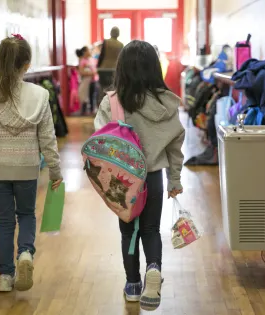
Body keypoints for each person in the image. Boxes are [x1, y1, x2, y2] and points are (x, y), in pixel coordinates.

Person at [94, 40, 185, 311]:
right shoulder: (167, 102)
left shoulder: (112, 102)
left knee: (128, 231)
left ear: (121, 68)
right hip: (154, 177)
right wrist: (176, 179)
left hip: (124, 179)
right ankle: (153, 268)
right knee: (150, 229)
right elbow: (175, 146)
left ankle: (133, 285)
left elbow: (99, 141)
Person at [0, 34, 62, 292]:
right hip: (27, 167)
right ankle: (25, 254)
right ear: (27, 65)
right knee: (26, 215)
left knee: (6, 222)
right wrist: (55, 169)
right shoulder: (40, 95)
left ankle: (4, 277)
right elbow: (47, 137)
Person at [97, 27, 124, 103]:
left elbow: (102, 55)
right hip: (114, 69)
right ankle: (111, 105)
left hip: (103, 68)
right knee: (113, 89)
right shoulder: (121, 44)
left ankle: (100, 104)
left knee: (102, 88)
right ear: (118, 34)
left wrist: (98, 66)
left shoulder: (106, 42)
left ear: (110, 33)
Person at [76, 46, 97, 115]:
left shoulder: (90, 60)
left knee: (92, 97)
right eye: (88, 50)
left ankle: (92, 112)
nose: (90, 51)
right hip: (86, 83)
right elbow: (81, 72)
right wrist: (92, 73)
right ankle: (84, 113)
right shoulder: (83, 61)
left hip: (93, 81)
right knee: (85, 97)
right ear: (84, 52)